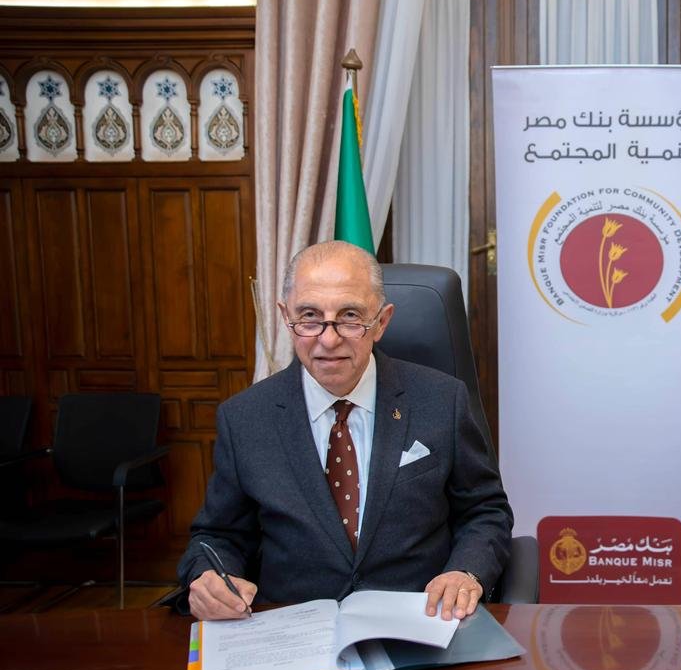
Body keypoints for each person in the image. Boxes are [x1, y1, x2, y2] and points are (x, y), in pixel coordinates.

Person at [177, 241, 512, 621]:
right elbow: (218, 536)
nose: (329, 339)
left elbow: (485, 511)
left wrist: (465, 571)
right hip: (294, 628)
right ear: (286, 317)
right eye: (310, 317)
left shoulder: (441, 400)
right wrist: (208, 577)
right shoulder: (245, 418)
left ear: (381, 322)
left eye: (350, 317)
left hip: (419, 622)